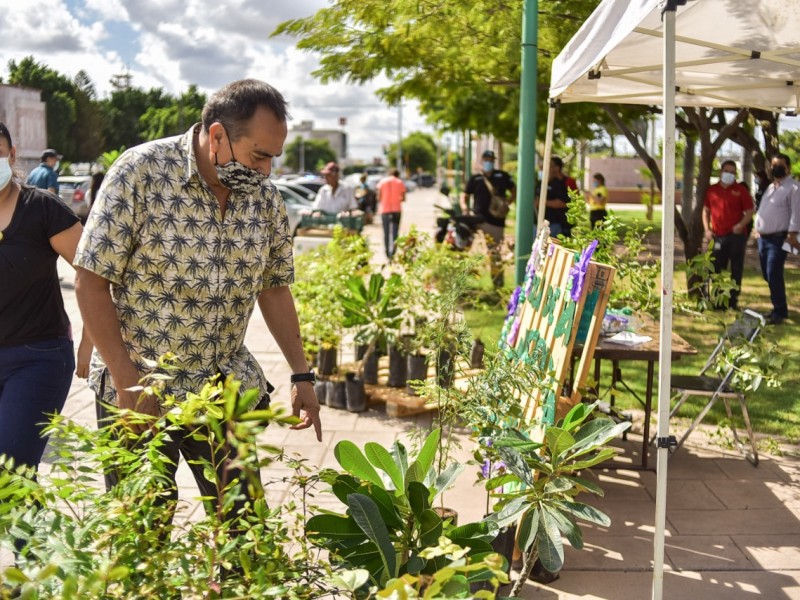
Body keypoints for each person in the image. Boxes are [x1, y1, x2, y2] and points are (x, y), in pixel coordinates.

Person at [73, 79, 322, 522]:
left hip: (224, 386)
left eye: (273, 159)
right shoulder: (141, 172)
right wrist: (127, 379)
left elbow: (275, 287)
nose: (266, 171)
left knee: (243, 527)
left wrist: (302, 374)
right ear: (218, 136)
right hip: (140, 387)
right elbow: (91, 280)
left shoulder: (264, 199)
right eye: (259, 155)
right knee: (143, 531)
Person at [0, 123, 90, 473]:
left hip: (37, 358)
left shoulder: (42, 209)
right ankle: (34, 528)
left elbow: (92, 273)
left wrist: (90, 340)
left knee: (10, 470)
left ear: (11, 153)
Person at [753, 153, 800, 325]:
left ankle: (780, 311)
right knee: (767, 274)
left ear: (788, 168)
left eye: (779, 165)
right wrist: (757, 228)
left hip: (778, 239)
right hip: (762, 238)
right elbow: (763, 209)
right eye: (773, 165)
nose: (776, 168)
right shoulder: (772, 187)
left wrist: (793, 235)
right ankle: (776, 308)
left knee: (773, 273)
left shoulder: (794, 188)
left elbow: (797, 213)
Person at [702, 160, 754, 310]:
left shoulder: (740, 190)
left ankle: (733, 301)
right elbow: (705, 211)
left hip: (736, 236)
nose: (729, 174)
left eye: (732, 172)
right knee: (715, 268)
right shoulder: (712, 190)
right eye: (727, 171)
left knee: (736, 269)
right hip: (717, 236)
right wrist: (707, 229)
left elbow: (750, 211)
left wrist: (741, 225)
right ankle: (717, 300)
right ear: (721, 172)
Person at [462, 149, 516, 288]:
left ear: (494, 161)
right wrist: (465, 208)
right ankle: (461, 282)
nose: (488, 162)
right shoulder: (476, 178)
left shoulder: (502, 176)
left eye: (491, 160)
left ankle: (498, 286)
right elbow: (465, 195)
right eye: (486, 160)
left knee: (495, 254)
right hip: (477, 218)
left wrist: (506, 204)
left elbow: (514, 190)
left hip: (495, 222)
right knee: (464, 247)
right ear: (482, 161)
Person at [377, 168, 406, 260]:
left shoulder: (382, 181)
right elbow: (404, 198)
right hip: (396, 209)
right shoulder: (399, 182)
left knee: (386, 232)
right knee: (395, 232)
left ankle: (386, 252)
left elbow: (379, 197)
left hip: (385, 210)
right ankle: (393, 252)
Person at [544, 156, 578, 238]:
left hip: (562, 223)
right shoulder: (549, 181)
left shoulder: (569, 181)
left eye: (550, 165)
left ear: (557, 168)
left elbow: (573, 201)